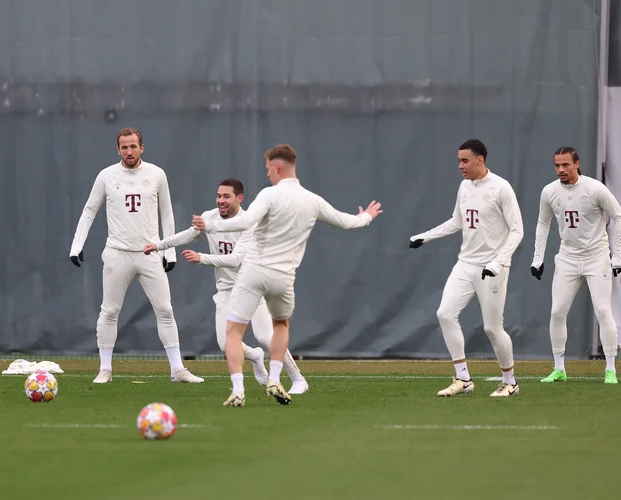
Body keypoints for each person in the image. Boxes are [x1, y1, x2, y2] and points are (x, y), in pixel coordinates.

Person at [191, 144, 381, 407]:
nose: (267, 174)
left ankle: (238, 389)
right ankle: (275, 379)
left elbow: (245, 222)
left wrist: (210, 225)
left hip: (254, 272)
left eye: (268, 168)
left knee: (233, 333)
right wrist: (367, 217)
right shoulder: (312, 200)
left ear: (277, 167)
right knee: (280, 327)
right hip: (284, 278)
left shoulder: (269, 195)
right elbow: (346, 222)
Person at [143, 178, 309, 394]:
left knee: (266, 336)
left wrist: (201, 258)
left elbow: (237, 259)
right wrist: (159, 245)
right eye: (219, 196)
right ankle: (256, 357)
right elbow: (189, 234)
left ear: (239, 198)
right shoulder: (209, 217)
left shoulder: (250, 223)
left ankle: (298, 379)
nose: (221, 200)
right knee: (225, 345)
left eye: (226, 197)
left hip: (253, 287)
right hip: (226, 291)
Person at [69, 127, 203, 384]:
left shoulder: (156, 174)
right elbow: (89, 210)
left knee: (165, 309)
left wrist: (169, 251)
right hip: (117, 253)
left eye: (133, 146)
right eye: (124, 147)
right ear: (117, 149)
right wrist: (77, 246)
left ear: (142, 147)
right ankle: (105, 369)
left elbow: (167, 213)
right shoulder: (106, 176)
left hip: (149, 252)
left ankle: (177, 369)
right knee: (109, 311)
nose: (129, 151)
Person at [409, 139, 523, 397]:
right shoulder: (464, 186)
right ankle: (463, 379)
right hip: (466, 263)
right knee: (445, 314)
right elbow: (457, 222)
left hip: (493, 267)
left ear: (480, 160)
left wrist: (497, 262)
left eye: (465, 160)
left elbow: (517, 231)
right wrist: (424, 236)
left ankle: (510, 383)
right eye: (459, 160)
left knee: (492, 328)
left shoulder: (501, 188)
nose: (460, 165)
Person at [531, 147, 621, 384]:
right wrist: (537, 258)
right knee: (557, 311)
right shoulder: (549, 192)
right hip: (567, 258)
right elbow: (543, 224)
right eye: (557, 165)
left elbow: (618, 214)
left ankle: (610, 368)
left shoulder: (594, 189)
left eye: (565, 165)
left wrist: (618, 257)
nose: (561, 169)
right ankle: (559, 368)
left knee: (603, 310)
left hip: (596, 257)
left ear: (577, 164)